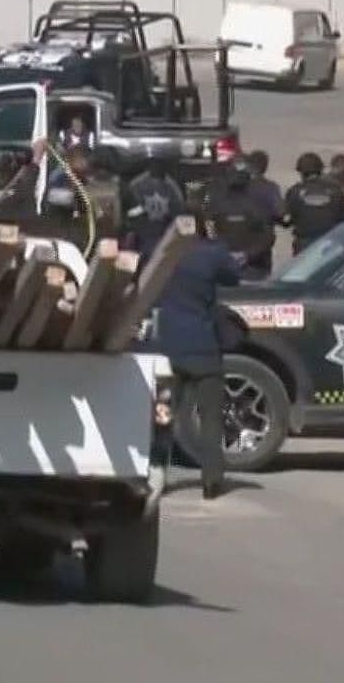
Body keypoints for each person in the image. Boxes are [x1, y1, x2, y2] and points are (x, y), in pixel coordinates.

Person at [147, 222, 242, 499]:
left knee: (162, 418)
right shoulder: (211, 254)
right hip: (204, 348)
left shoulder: (162, 253)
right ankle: (212, 479)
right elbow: (233, 276)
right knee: (211, 417)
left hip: (168, 349)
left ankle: (155, 476)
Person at [207, 157, 277, 279]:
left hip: (224, 268)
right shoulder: (258, 208)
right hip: (252, 268)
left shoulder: (215, 207)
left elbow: (208, 234)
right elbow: (268, 236)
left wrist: (222, 254)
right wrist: (247, 255)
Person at [123, 151, 188, 255]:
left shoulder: (172, 186)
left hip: (164, 233)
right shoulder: (137, 185)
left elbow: (178, 210)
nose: (157, 167)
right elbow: (130, 209)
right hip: (142, 233)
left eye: (160, 164)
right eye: (155, 164)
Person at [285, 151, 344, 253]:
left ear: (301, 172)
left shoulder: (294, 191)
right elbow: (343, 216)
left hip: (304, 244)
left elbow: (287, 220)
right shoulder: (336, 189)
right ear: (320, 169)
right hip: (331, 241)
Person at [247, 149, 285, 226]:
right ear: (265, 167)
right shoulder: (272, 187)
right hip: (264, 233)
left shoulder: (238, 186)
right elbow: (280, 212)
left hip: (239, 232)